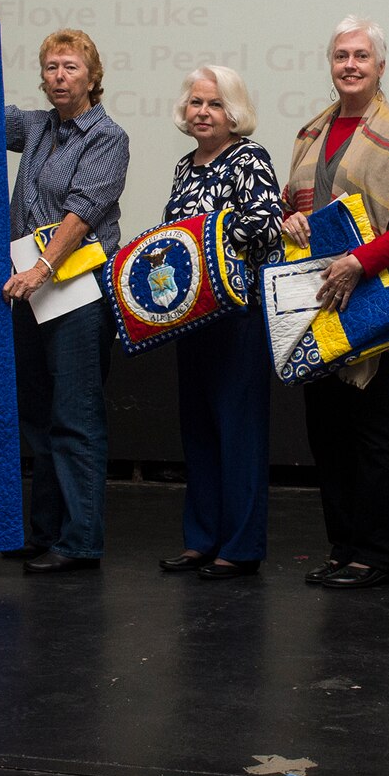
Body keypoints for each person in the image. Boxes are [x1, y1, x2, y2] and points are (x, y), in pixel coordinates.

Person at [283, 16, 389, 589]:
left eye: (361, 56)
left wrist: (359, 262)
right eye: (341, 55)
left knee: (370, 436)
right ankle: (344, 549)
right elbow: (298, 214)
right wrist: (293, 223)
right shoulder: (309, 134)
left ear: (381, 67)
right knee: (327, 434)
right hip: (316, 305)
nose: (350, 64)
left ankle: (377, 556)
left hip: (374, 303)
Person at [1, 27, 130, 574]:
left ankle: (80, 542)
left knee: (74, 418)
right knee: (36, 416)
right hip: (29, 293)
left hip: (75, 292)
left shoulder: (107, 136)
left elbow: (82, 212)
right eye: (52, 67)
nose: (60, 76)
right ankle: (45, 533)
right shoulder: (34, 127)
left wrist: (40, 268)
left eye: (71, 67)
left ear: (92, 77)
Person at [157, 66, 282, 579]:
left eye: (214, 104)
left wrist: (207, 233)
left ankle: (240, 546)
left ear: (233, 112)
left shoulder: (249, 158)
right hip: (191, 318)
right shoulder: (185, 167)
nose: (203, 112)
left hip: (237, 315)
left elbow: (267, 224)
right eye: (196, 103)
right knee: (200, 431)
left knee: (239, 432)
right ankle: (201, 539)